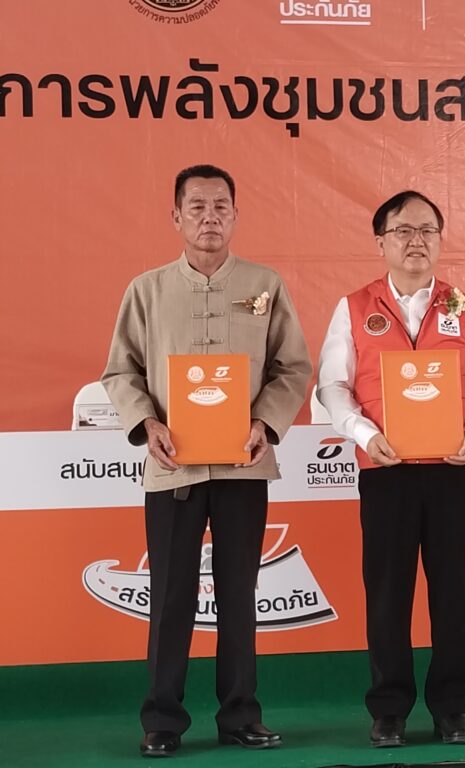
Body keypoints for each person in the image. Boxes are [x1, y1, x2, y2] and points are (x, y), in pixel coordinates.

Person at [102, 164, 312, 757]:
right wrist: (147, 423)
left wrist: (264, 423)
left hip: (244, 466)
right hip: (174, 468)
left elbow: (293, 367)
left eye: (221, 206)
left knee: (239, 592)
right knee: (171, 594)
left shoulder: (265, 284)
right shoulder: (146, 290)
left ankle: (240, 715)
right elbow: (120, 371)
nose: (209, 217)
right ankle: (162, 720)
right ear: (176, 217)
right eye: (196, 207)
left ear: (236, 215)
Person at [317, 191, 465, 748]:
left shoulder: (464, 307)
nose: (415, 241)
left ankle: (453, 708)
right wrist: (365, 435)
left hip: (452, 470)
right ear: (381, 242)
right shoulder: (354, 307)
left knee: (454, 593)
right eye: (402, 230)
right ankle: (389, 711)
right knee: (387, 594)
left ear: (440, 241)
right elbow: (332, 385)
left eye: (427, 230)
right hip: (386, 471)